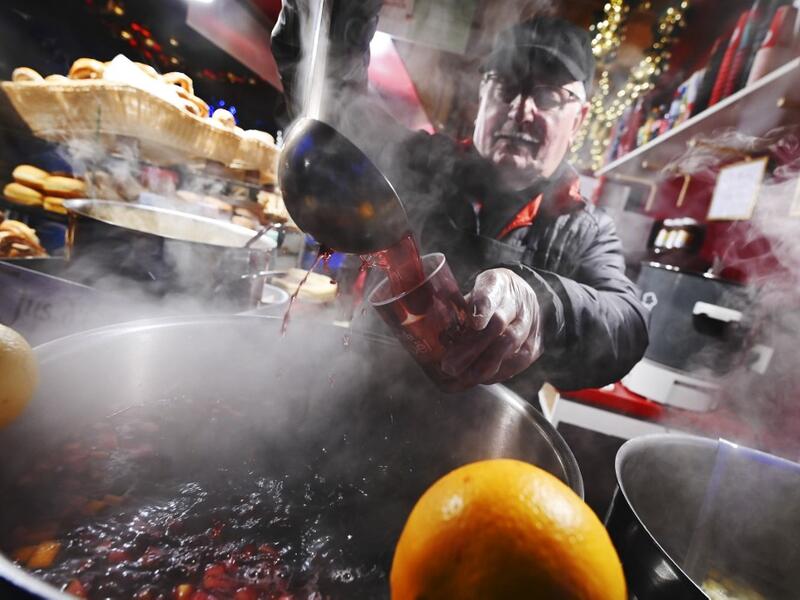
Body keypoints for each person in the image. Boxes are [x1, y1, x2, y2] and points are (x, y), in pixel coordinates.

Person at [271, 3, 649, 396]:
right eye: (505, 87)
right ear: (482, 97)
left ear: (580, 119)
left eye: (549, 97)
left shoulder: (583, 227)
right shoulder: (419, 162)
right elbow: (333, 99)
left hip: (483, 443)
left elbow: (628, 323)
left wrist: (544, 307)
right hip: (360, 393)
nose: (521, 112)